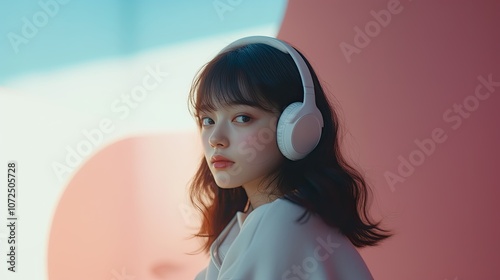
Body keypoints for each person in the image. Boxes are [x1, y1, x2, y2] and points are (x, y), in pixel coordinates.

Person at [188, 36, 392, 280]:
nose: (215, 138)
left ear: (296, 127)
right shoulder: (280, 220)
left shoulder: (282, 220)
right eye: (207, 120)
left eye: (242, 118)